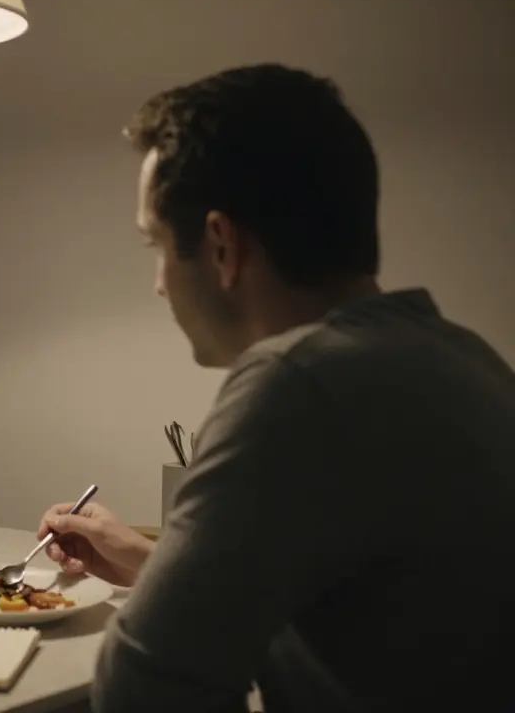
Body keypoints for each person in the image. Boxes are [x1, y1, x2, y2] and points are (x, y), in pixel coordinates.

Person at [38, 63, 515, 713]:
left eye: (155, 245)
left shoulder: (298, 382)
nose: (157, 283)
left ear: (221, 245)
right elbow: (371, 617)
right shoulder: (464, 358)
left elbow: (145, 689)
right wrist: (149, 562)